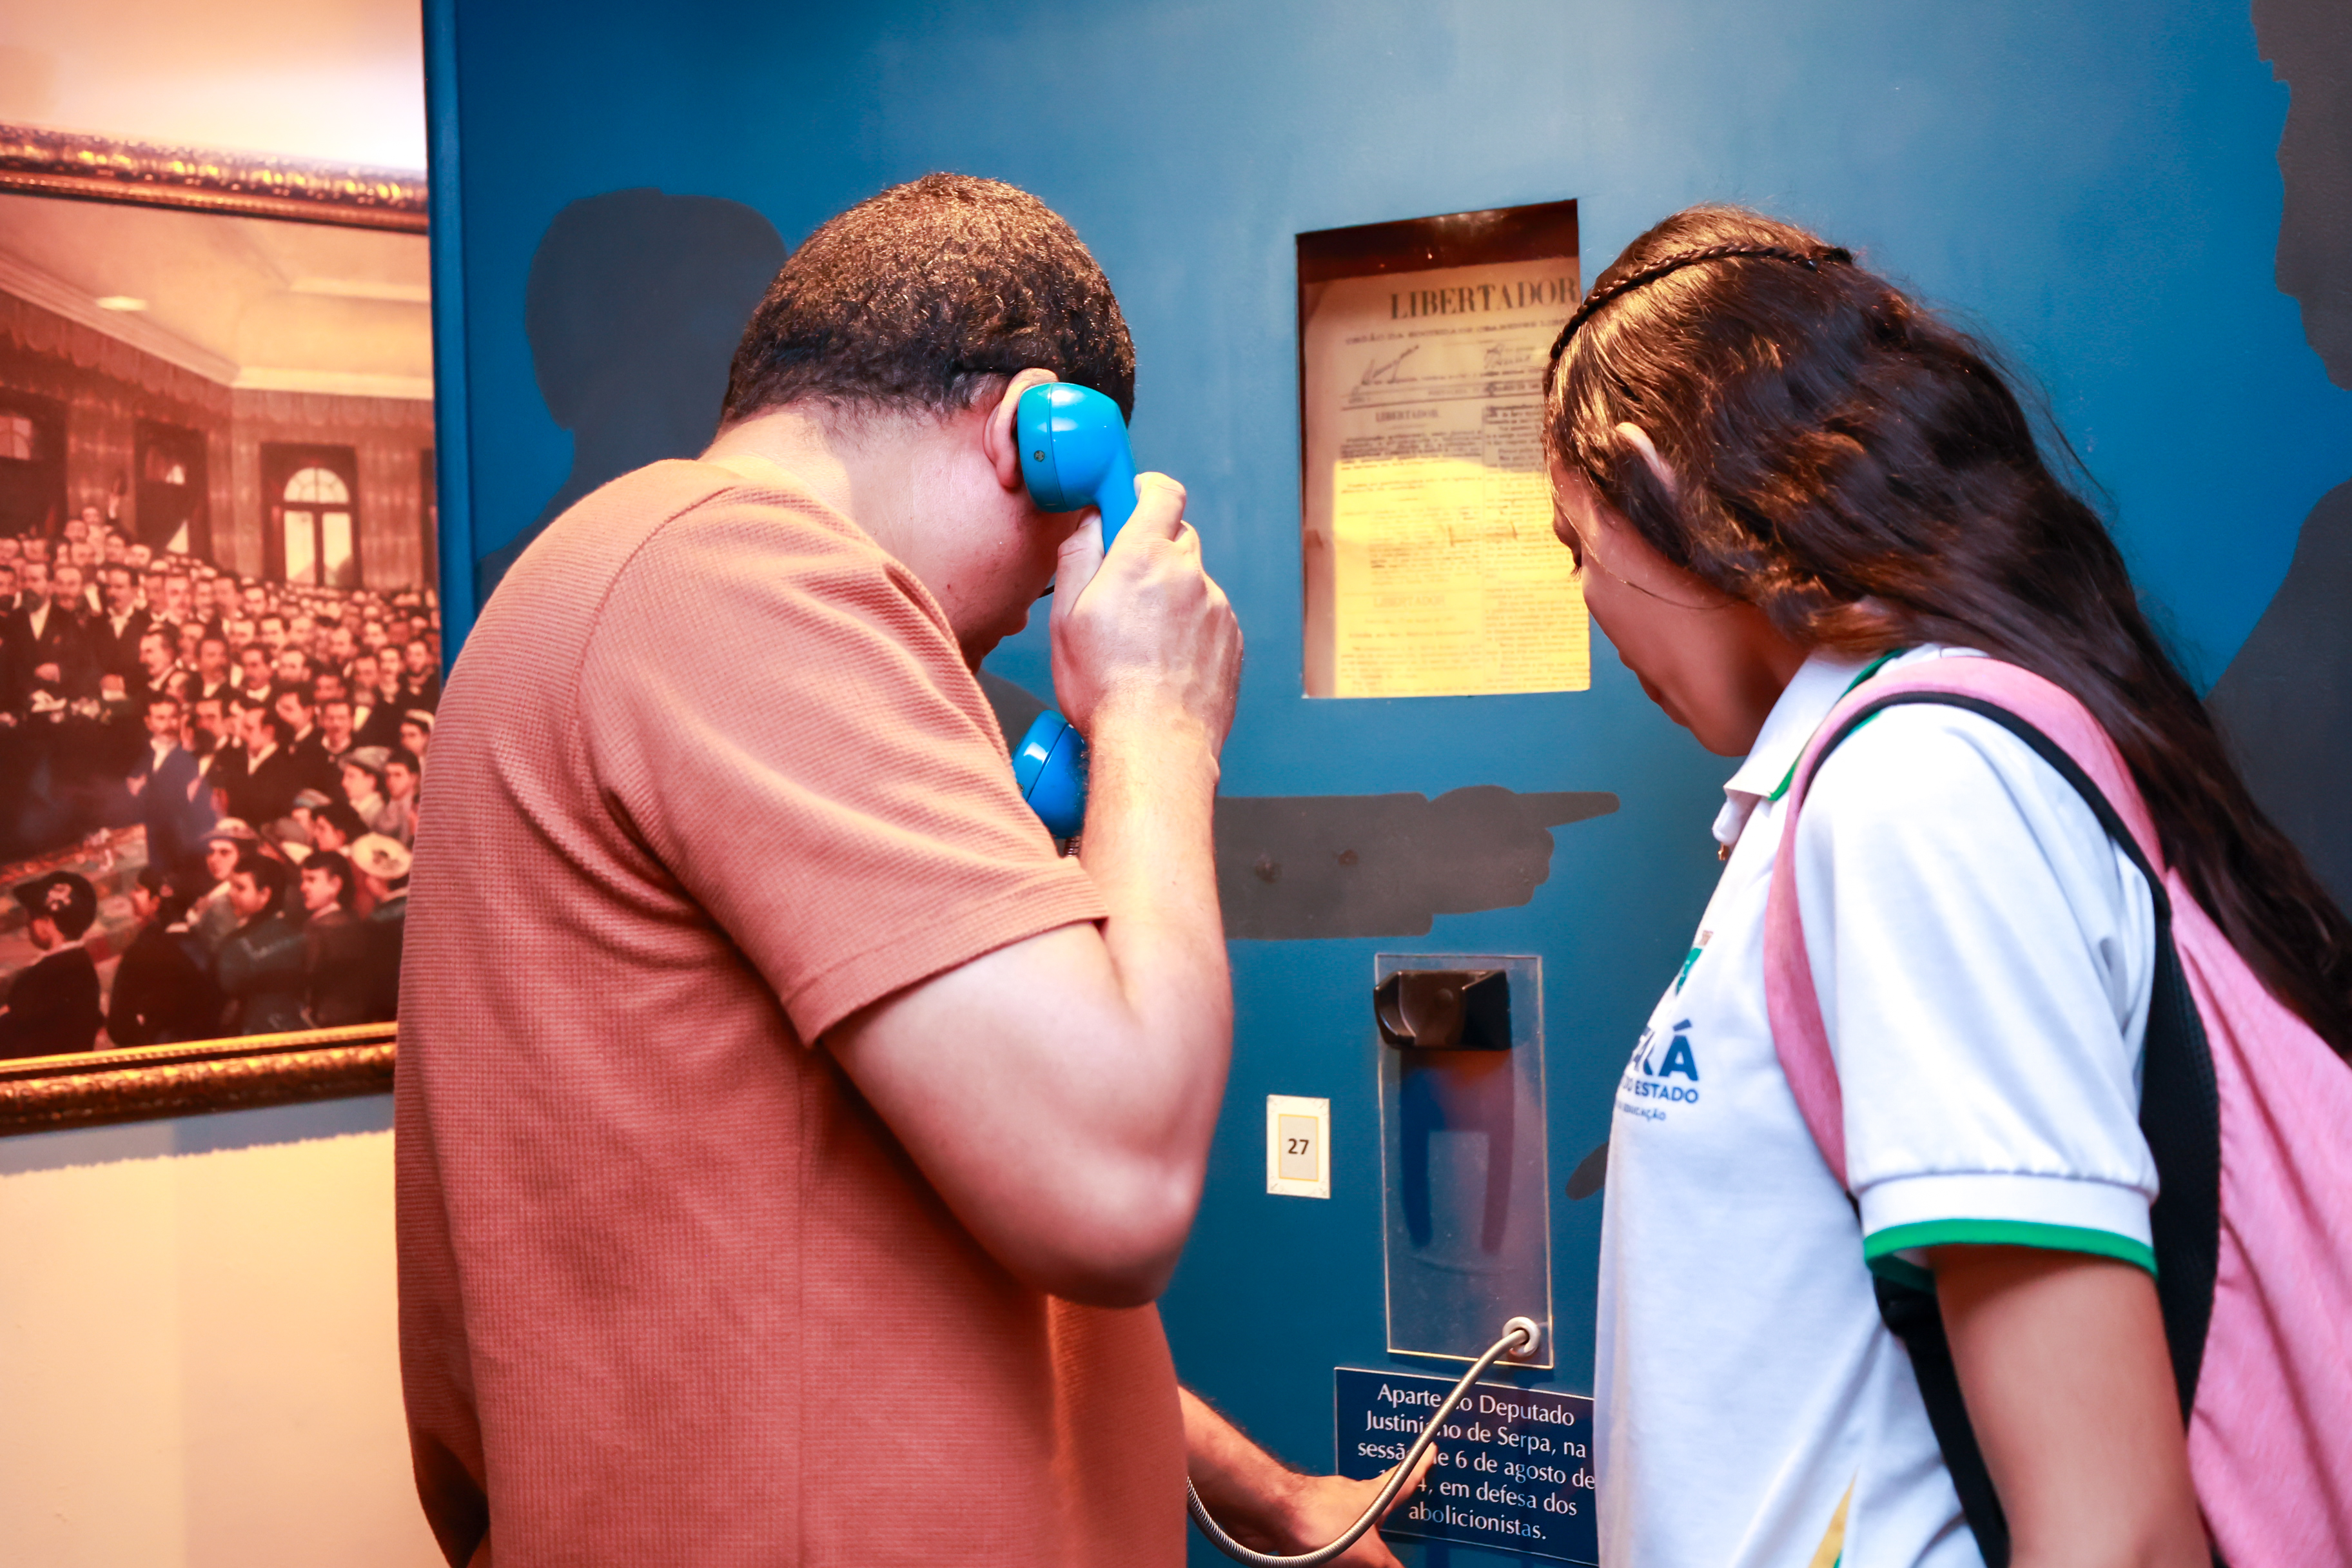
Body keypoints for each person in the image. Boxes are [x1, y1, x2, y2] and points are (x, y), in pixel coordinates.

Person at [392, 175, 1427, 1568]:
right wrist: (1159, 713)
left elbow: (864, 1253)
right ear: (1035, 438)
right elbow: (1116, 1186)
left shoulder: (642, 589)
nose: (1004, 640)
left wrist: (1259, 1489)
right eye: (1040, 581)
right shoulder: (747, 576)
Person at [1544, 207, 2352, 1568]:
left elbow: (2115, 1533)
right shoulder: (1851, 793)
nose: (1588, 600)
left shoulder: (1918, 785)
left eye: (1574, 544)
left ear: (1649, 477)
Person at [106, 865, 221, 1046]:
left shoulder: (141, 952)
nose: (132, 895)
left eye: (138, 889)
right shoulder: (202, 942)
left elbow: (119, 1025)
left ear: (156, 903)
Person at [0, 870, 102, 1057]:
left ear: (48, 922)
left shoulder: (42, 978)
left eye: (32, 917)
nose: (28, 924)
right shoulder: (82, 962)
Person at [214, 848, 306, 1035]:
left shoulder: (238, 946)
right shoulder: (299, 933)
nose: (231, 893)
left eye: (240, 888)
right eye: (231, 886)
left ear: (265, 895)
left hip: (254, 1030)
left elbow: (225, 986)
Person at [299, 849, 370, 1026]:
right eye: (303, 880)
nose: (303, 887)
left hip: (323, 1021)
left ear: (335, 884)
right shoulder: (356, 922)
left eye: (311, 880)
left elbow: (308, 979)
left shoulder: (318, 929)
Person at [348, 832, 407, 1021]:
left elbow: (374, 976)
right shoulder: (423, 906)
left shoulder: (378, 921)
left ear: (373, 880)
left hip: (389, 1005)